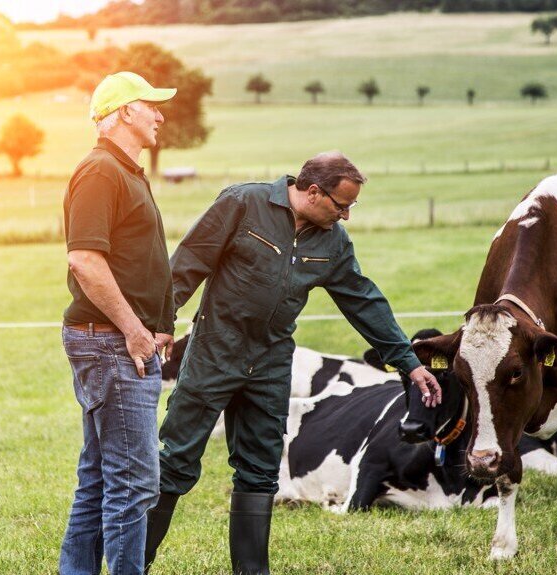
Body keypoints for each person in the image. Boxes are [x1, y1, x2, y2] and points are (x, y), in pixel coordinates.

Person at [143, 152, 442, 574]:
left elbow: (364, 301)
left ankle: (252, 571)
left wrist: (408, 362)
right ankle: (133, 564)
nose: (346, 216)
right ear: (313, 192)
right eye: (342, 206)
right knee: (176, 461)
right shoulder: (242, 204)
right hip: (214, 352)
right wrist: (160, 323)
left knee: (261, 470)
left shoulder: (333, 242)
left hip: (271, 363)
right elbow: (187, 264)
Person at [60, 71, 178, 575]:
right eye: (151, 105)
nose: (160, 115)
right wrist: (134, 329)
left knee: (100, 479)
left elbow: (137, 258)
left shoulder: (125, 170)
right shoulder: (101, 171)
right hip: (112, 344)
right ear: (126, 111)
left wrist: (159, 320)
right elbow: (85, 260)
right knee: (133, 482)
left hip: (119, 340)